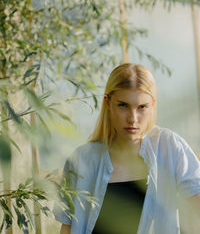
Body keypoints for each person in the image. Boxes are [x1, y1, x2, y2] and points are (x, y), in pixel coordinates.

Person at [54, 63, 200, 234]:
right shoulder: (81, 160)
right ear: (108, 103)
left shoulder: (170, 148)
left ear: (152, 104)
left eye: (141, 107)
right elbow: (67, 226)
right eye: (123, 105)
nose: (132, 118)